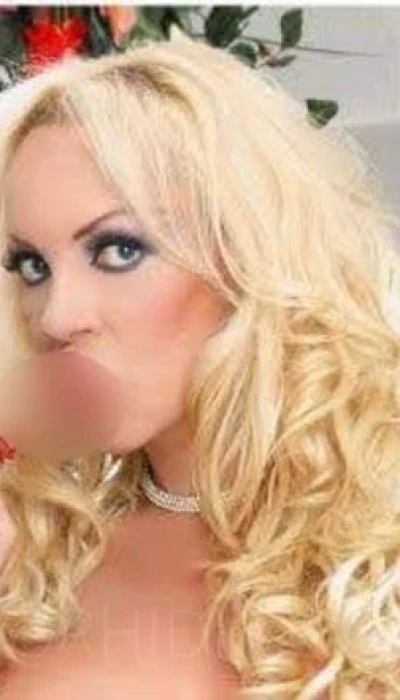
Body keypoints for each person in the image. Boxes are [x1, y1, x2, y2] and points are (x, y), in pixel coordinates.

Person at [0, 36, 398, 700]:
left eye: (118, 250)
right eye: (32, 266)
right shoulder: (37, 552)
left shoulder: (377, 546)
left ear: (246, 258)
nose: (56, 317)